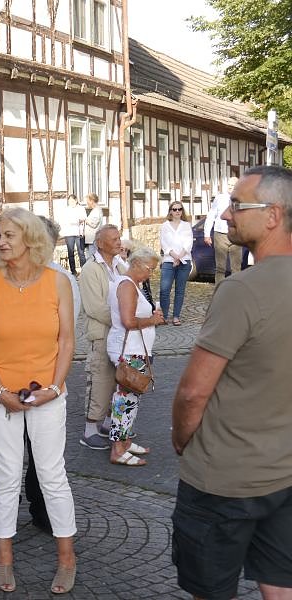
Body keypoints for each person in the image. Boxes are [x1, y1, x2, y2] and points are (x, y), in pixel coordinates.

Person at [172, 166, 292, 600]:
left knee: (210, 590)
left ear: (273, 215)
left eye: (238, 205)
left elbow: (192, 392)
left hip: (222, 479)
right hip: (284, 473)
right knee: (281, 587)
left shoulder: (242, 289)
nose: (225, 214)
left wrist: (181, 439)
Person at [0, 206, 76, 594]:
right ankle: (4, 557)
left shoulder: (57, 282)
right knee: (6, 475)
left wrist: (55, 387)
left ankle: (67, 558)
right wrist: (1, 392)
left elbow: (67, 341)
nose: (0, 242)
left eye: (8, 235)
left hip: (48, 393)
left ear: (30, 239)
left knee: (52, 474)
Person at [107, 246, 164, 466]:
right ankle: (118, 448)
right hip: (129, 349)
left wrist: (151, 317)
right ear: (137, 264)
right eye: (150, 269)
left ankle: (125, 441)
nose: (151, 274)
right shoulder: (127, 285)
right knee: (125, 398)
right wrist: (153, 320)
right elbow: (128, 321)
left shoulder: (131, 284)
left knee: (131, 397)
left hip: (135, 349)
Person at [78, 224, 126, 450]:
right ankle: (89, 430)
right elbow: (95, 308)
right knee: (99, 381)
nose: (119, 242)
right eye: (114, 239)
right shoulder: (90, 269)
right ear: (100, 243)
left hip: (120, 334)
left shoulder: (119, 265)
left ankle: (108, 424)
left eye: (119, 238)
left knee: (118, 381)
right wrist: (125, 319)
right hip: (102, 334)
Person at [159, 202, 193, 325]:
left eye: (180, 209)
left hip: (184, 261)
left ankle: (176, 316)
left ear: (182, 211)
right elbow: (164, 244)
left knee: (180, 290)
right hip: (169, 261)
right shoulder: (165, 226)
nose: (177, 211)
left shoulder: (186, 225)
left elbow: (189, 243)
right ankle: (163, 316)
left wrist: (179, 257)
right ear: (170, 211)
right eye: (174, 209)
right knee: (164, 290)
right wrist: (175, 256)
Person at [204, 176, 242, 284]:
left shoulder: (242, 199)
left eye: (232, 185)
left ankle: (235, 290)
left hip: (235, 235)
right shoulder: (219, 198)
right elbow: (211, 215)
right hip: (220, 235)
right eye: (228, 184)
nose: (230, 187)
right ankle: (219, 289)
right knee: (220, 267)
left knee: (236, 267)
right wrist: (207, 234)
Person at [59, 194, 86, 275]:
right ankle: (73, 271)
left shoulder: (81, 208)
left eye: (72, 201)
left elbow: (83, 218)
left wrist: (76, 220)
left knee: (81, 252)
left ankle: (84, 270)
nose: (71, 203)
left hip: (79, 233)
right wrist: (76, 220)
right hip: (69, 233)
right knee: (70, 252)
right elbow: (64, 220)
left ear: (76, 200)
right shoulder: (66, 209)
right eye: (69, 201)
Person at [83, 193, 103, 260]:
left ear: (92, 201)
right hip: (91, 238)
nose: (87, 203)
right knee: (91, 256)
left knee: (93, 257)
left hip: (93, 238)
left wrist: (86, 221)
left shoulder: (97, 210)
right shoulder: (95, 210)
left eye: (88, 201)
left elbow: (94, 224)